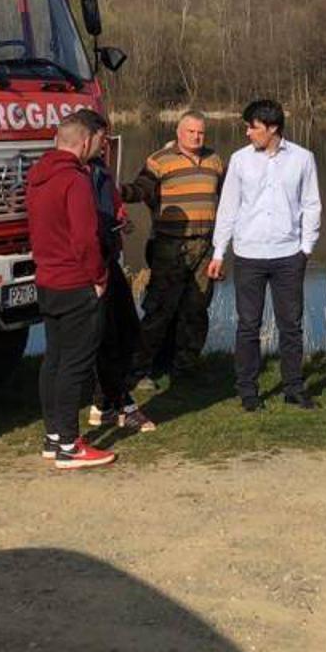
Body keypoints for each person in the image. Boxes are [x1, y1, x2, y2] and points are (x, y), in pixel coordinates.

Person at [208, 100, 322, 412]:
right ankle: (248, 391)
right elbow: (228, 207)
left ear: (272, 128)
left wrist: (306, 248)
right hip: (248, 255)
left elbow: (311, 204)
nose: (247, 132)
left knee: (291, 325)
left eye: (253, 127)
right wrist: (219, 251)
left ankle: (293, 388)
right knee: (248, 325)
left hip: (289, 255)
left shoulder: (302, 159)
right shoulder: (239, 160)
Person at [28, 109, 118, 469]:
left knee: (54, 359)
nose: (98, 146)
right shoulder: (74, 181)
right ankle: (69, 444)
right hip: (75, 281)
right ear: (84, 142)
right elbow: (84, 238)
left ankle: (53, 437)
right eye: (96, 141)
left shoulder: (37, 177)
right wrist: (98, 277)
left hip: (47, 279)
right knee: (75, 364)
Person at [120, 110, 226, 385]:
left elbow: (230, 197)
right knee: (159, 309)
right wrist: (119, 193)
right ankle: (139, 371)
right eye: (191, 132)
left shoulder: (215, 160)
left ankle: (186, 367)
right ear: (179, 133)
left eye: (201, 132)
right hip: (170, 246)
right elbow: (142, 189)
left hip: (206, 246)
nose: (196, 137)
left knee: (197, 309)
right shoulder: (160, 160)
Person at [86, 145, 155, 433]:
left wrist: (119, 218)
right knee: (107, 337)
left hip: (109, 257)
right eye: (101, 138)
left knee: (126, 330)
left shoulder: (101, 169)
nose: (105, 144)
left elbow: (110, 204)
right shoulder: (76, 174)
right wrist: (95, 273)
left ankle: (105, 404)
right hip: (92, 264)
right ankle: (120, 405)